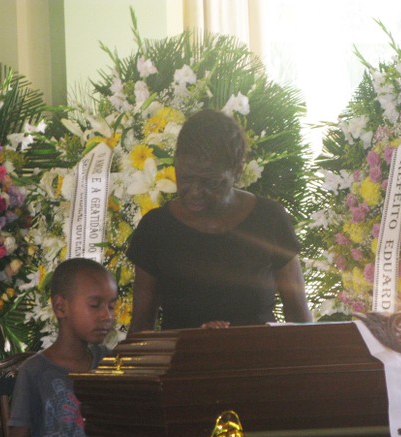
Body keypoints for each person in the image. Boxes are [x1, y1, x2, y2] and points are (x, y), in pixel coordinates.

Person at [126, 108, 312, 331]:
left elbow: (299, 318)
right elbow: (141, 328)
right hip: (183, 363)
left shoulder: (269, 219)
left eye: (210, 182)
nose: (194, 191)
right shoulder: (156, 229)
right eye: (185, 178)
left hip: (256, 361)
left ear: (236, 171)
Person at [7, 257, 117, 437]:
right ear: (60, 307)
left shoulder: (110, 363)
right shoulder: (34, 372)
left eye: (111, 306)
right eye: (95, 305)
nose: (106, 316)